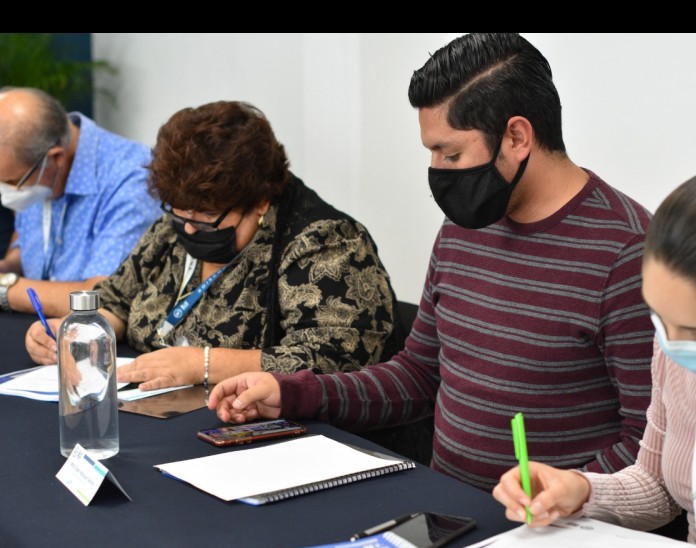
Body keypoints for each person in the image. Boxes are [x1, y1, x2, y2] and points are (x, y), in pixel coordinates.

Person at [208, 33, 655, 491]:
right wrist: (294, 393)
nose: (437, 170)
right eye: (432, 152)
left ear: (517, 137)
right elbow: (419, 376)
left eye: (451, 153)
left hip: (550, 526)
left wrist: (559, 497)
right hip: (449, 513)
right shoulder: (466, 224)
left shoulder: (627, 251)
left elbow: (648, 445)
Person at [492, 150, 696, 548]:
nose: (673, 344)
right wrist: (581, 490)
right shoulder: (673, 346)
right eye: (659, 316)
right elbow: (657, 485)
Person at [26, 100, 403, 389]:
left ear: (260, 200)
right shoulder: (177, 223)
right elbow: (117, 299)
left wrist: (203, 364)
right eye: (180, 213)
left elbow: (334, 362)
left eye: (206, 218)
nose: (189, 230)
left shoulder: (326, 243)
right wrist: (83, 334)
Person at [0, 86, 161, 317]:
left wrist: (5, 288)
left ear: (55, 158)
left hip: (91, 329)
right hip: (34, 320)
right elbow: (27, 244)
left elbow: (101, 297)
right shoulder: (34, 163)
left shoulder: (132, 179)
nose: (6, 191)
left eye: (11, 182)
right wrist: (6, 268)